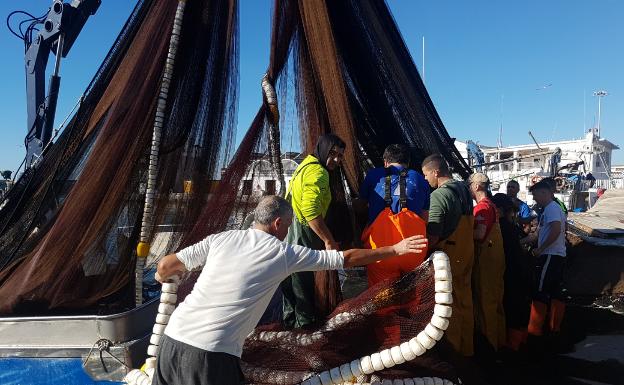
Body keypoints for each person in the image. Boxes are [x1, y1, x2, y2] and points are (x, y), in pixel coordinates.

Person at [153, 196, 428, 385]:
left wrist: (161, 275)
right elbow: (345, 258)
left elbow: (166, 266)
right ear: (278, 224)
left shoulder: (221, 238)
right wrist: (394, 249)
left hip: (172, 340)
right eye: (289, 224)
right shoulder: (283, 253)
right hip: (211, 355)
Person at [281, 133, 345, 329]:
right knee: (303, 282)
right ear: (323, 149)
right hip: (303, 233)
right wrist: (327, 240)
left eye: (340, 155)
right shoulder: (319, 172)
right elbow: (310, 211)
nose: (336, 159)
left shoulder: (304, 165)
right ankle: (306, 329)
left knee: (289, 281)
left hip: (289, 231)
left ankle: (290, 325)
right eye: (332, 153)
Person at [421, 154, 475, 357]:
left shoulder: (439, 196)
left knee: (449, 305)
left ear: (436, 172)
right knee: (465, 301)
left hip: (450, 256)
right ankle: (467, 349)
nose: (426, 180)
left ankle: (454, 355)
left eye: (426, 175)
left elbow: (433, 235)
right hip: (467, 252)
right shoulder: (463, 189)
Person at [360, 144, 430, 286]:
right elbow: (425, 217)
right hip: (413, 250)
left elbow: (361, 205)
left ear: (386, 162)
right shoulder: (420, 179)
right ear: (408, 162)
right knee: (411, 292)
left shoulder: (374, 175)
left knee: (381, 296)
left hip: (381, 252)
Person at [526, 181, 567, 349]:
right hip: (557, 255)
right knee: (556, 292)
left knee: (541, 291)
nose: (535, 199)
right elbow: (538, 234)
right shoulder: (551, 209)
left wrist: (541, 249)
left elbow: (556, 230)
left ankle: (535, 332)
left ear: (544, 193)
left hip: (551, 255)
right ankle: (554, 329)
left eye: (535, 195)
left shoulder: (551, 208)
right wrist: (521, 241)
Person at [468, 173, 506, 354]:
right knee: (496, 303)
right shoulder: (493, 207)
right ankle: (500, 341)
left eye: (469, 185)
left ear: (476, 187)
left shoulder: (481, 208)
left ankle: (489, 349)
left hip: (486, 264)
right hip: (496, 262)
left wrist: (460, 232)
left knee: (485, 304)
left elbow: (480, 234)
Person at [492, 193, 531, 352]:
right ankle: (522, 341)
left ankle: (512, 346)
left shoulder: (500, 227)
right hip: (521, 271)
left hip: (510, 272)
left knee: (511, 307)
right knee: (520, 307)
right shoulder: (513, 228)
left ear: (499, 210)